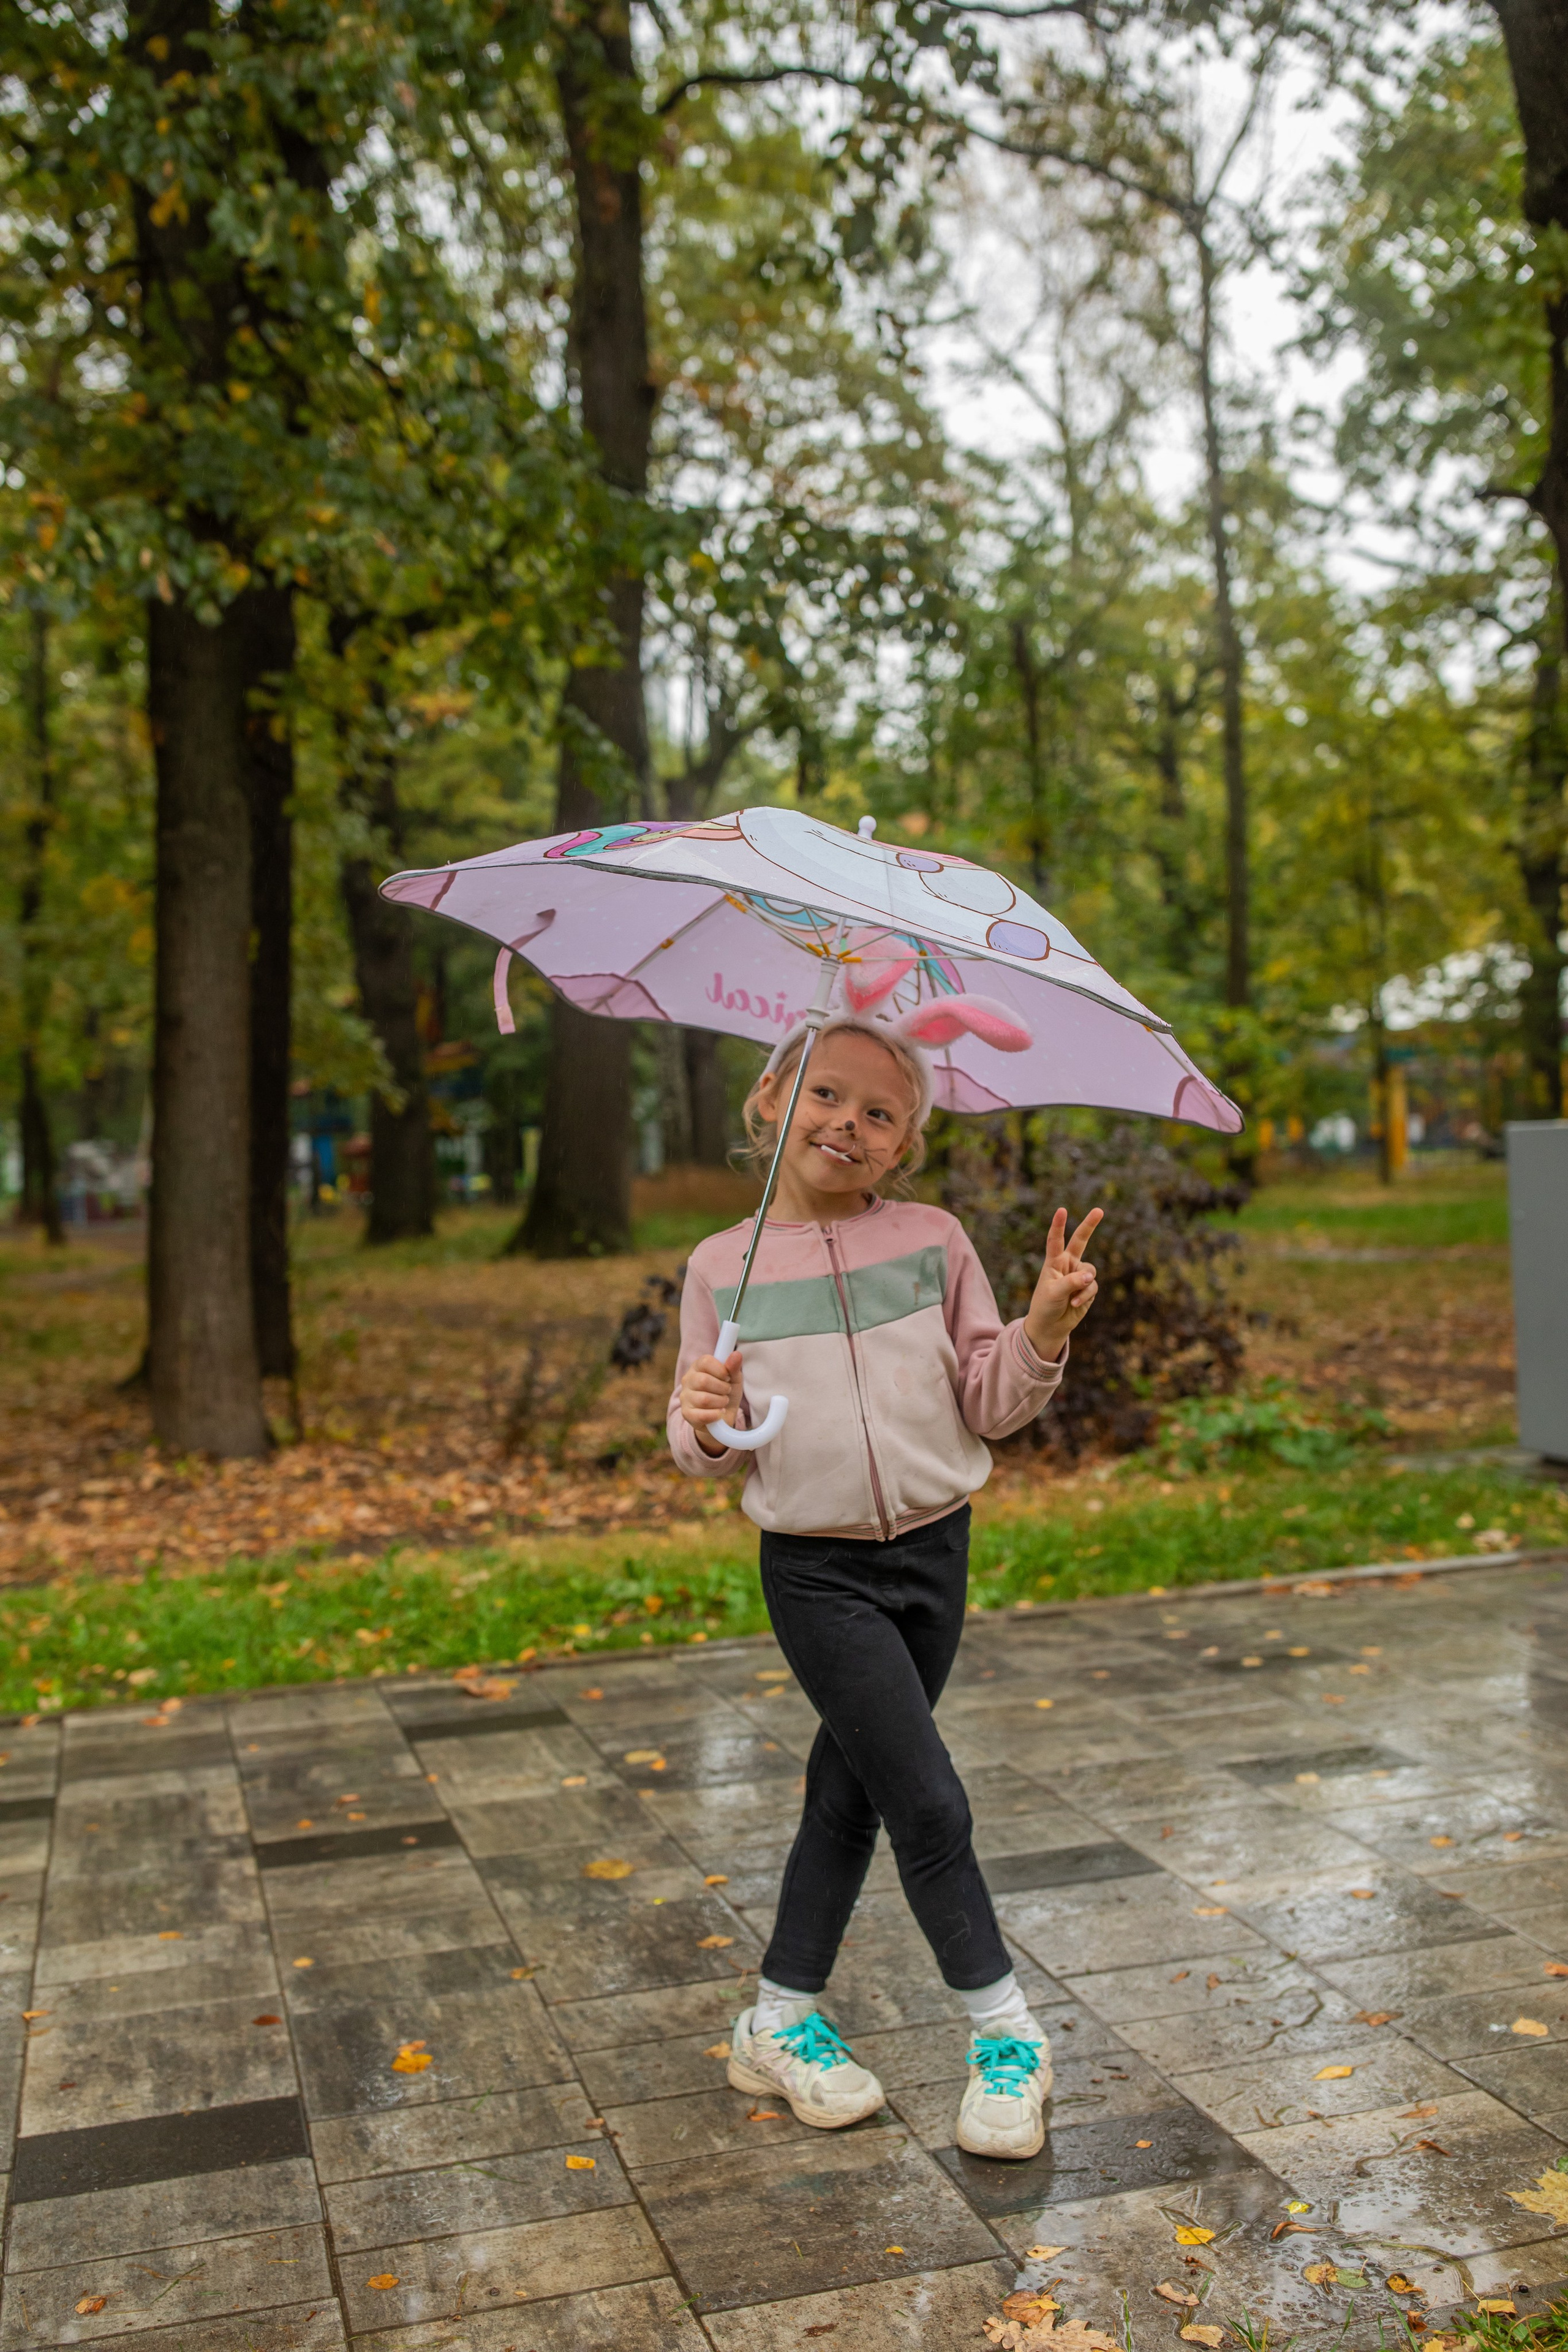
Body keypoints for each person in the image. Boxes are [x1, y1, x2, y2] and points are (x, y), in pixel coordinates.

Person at [667, 1012, 1102, 2160]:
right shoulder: (726, 1265)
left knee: (851, 1789)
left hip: (936, 1551)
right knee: (925, 1799)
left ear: (906, 1141)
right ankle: (1007, 2034)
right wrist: (704, 1425)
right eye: (824, 1097)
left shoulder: (933, 1239)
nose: (846, 1125)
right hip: (815, 1568)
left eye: (879, 1113)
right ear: (772, 1101)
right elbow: (703, 1437)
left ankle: (775, 2018)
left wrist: (1041, 1332)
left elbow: (987, 1397)